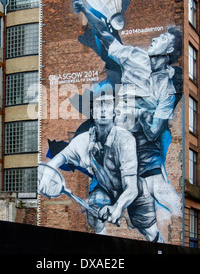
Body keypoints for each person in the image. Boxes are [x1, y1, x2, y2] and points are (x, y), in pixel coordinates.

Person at [73, 0, 182, 218]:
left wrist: (140, 111)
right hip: (115, 138)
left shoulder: (167, 90)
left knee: (161, 190)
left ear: (169, 48)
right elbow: (105, 34)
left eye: (162, 38)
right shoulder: (134, 56)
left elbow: (153, 132)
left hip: (142, 144)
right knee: (99, 197)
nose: (154, 38)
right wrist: (85, 8)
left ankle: (179, 218)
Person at [38, 83, 163, 242]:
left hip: (135, 191)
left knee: (151, 233)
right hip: (106, 189)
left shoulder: (125, 140)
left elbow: (131, 187)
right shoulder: (84, 140)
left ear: (114, 112)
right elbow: (58, 159)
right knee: (92, 207)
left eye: (108, 105)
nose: (103, 109)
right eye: (98, 105)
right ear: (92, 112)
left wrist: (117, 208)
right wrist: (46, 177)